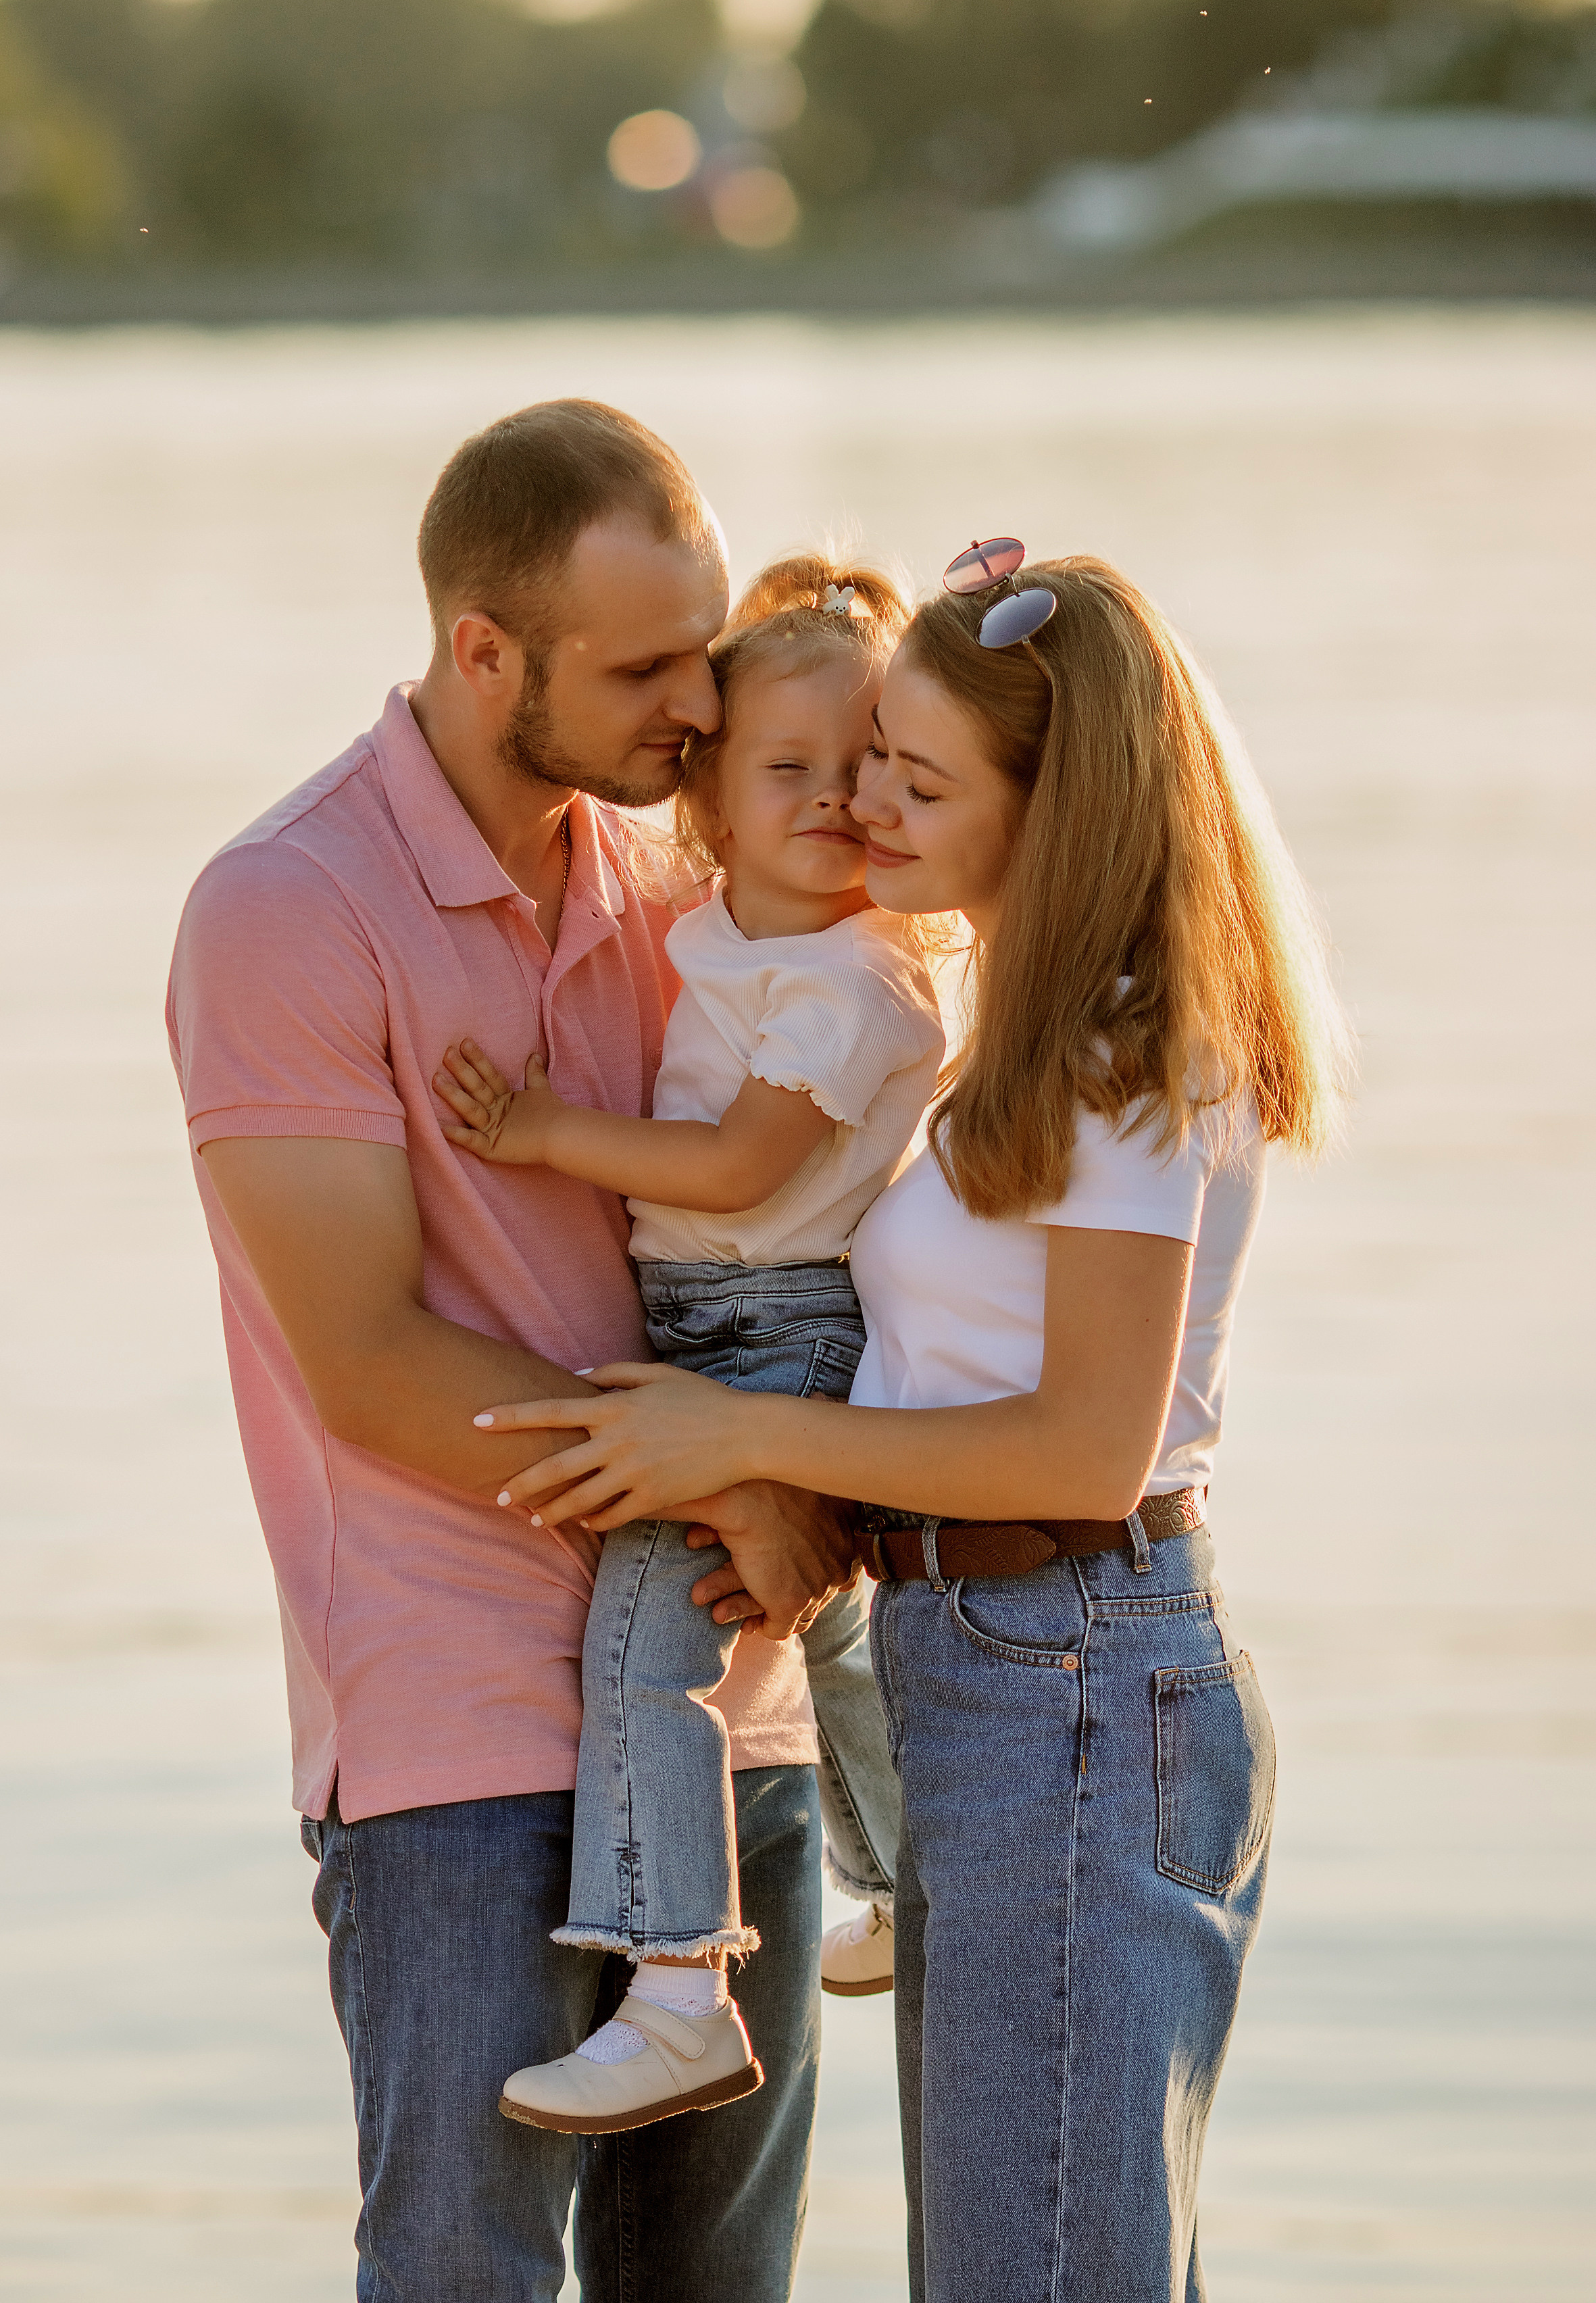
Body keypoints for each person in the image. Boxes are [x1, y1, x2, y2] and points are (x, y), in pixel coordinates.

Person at [476, 541, 1350, 2302]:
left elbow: (1080, 1449)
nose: (871, 798)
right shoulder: (991, 1033)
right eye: (873, 750)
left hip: (1079, 1672)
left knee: (1035, 2267)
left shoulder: (1128, 1053)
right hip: (992, 1667)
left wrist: (744, 1441)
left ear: (1059, 809)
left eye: (922, 777)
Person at [165, 399, 860, 2303]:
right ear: (484, 654)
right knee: (465, 2277)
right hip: (456, 1726)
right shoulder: (286, 909)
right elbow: (368, 1366)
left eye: (703, 655)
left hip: (733, 1693)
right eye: (645, 671)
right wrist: (738, 1479)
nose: (700, 714)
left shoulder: (686, 882)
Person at [432, 553, 941, 2134]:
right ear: (707, 802)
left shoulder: (856, 979)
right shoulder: (721, 927)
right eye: (787, 767)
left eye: (865, 766)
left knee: (651, 1647)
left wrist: (537, 1128)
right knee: (828, 1636)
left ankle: (675, 1985)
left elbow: (733, 1168)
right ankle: (918, 1886)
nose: (836, 797)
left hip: (772, 1335)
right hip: (724, 1319)